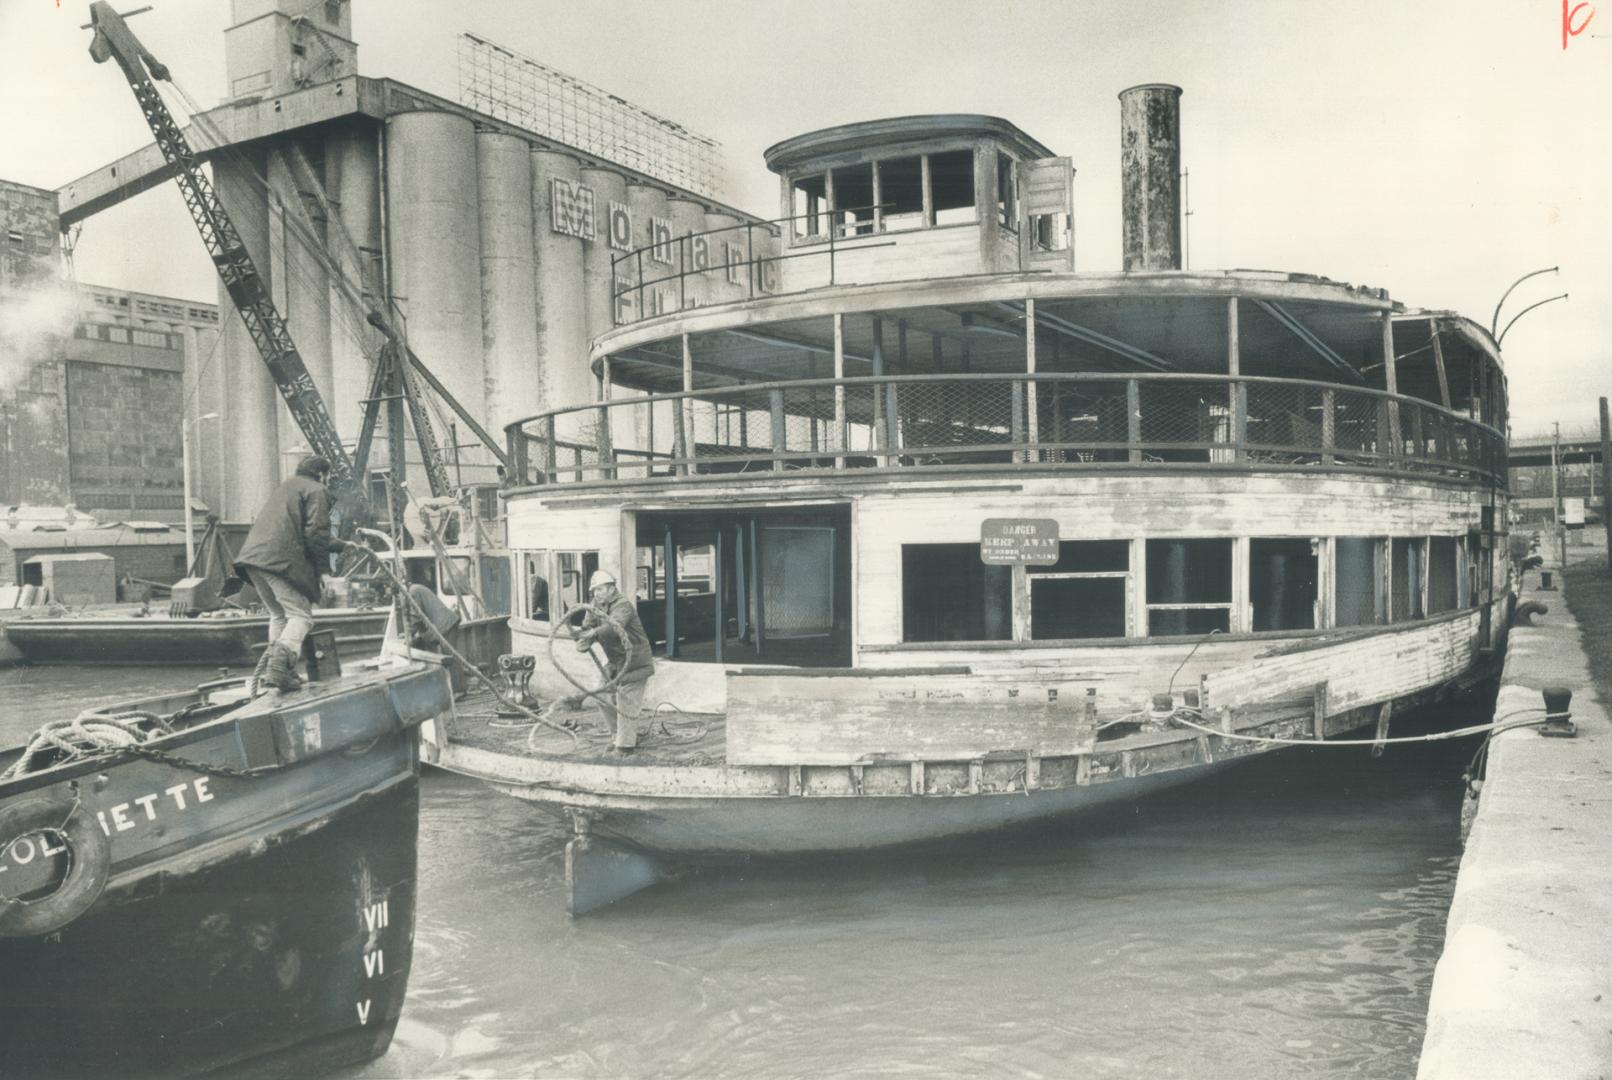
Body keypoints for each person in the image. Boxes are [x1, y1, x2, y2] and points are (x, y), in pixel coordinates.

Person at [234, 454, 354, 691]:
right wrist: (324, 572)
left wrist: (343, 545)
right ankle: (280, 669)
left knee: (279, 614)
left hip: (253, 560)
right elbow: (316, 533)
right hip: (279, 561)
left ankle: (276, 672)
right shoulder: (317, 490)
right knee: (301, 616)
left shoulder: (286, 487)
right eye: (327, 477)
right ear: (322, 475)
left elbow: (300, 530)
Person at [574, 569, 655, 754]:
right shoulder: (595, 605)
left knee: (626, 700)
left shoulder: (623, 605)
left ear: (611, 589)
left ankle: (625, 746)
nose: (596, 594)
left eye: (600, 589)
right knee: (601, 695)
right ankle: (617, 736)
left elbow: (614, 626)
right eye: (594, 590)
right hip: (615, 662)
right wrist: (584, 639)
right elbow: (588, 626)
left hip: (636, 662)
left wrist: (593, 634)